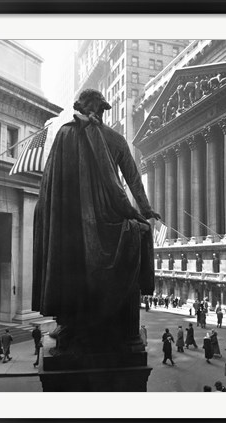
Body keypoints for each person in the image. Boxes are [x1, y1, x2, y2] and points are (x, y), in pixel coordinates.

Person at [32, 89, 160, 355]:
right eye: (96, 109)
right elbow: (54, 185)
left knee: (140, 232)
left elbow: (132, 177)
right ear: (86, 108)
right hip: (77, 219)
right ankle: (73, 321)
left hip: (100, 215)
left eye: (101, 110)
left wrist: (145, 210)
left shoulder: (108, 139)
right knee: (132, 234)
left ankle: (104, 322)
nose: (99, 114)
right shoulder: (68, 135)